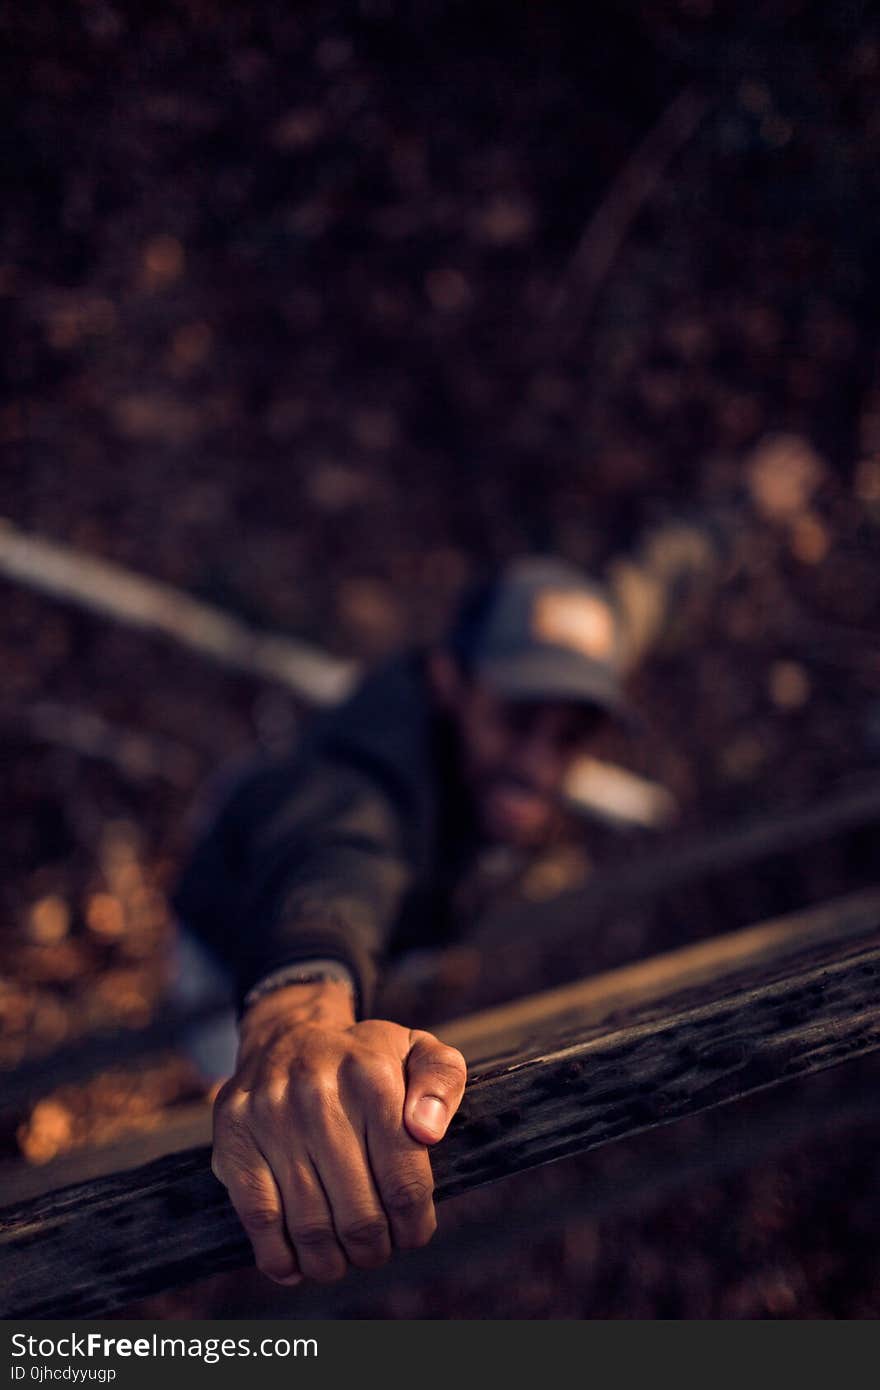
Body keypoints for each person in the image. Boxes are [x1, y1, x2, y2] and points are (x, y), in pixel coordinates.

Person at [173, 556, 637, 1288]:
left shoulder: (519, 726)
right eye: (517, 721)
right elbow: (334, 859)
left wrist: (738, 512)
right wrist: (296, 1025)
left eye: (574, 735)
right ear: (449, 680)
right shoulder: (366, 786)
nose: (542, 767)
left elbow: (652, 583)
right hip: (237, 939)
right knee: (229, 1073)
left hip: (382, 927)